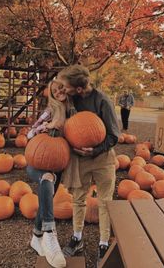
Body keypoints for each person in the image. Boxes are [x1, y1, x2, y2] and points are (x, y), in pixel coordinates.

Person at [58, 64, 120, 265]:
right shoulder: (69, 99)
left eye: (65, 87)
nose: (62, 90)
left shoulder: (102, 101)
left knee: (104, 202)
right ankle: (77, 238)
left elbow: (114, 135)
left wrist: (95, 150)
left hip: (103, 159)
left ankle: (103, 243)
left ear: (78, 89)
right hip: (80, 159)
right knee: (78, 199)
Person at [26, 79, 75, 268]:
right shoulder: (49, 111)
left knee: (47, 197)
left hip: (58, 163)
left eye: (61, 87)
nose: (59, 91)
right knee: (46, 178)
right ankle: (49, 234)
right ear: (52, 94)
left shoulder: (73, 112)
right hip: (37, 161)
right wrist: (46, 127)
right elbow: (30, 135)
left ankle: (36, 237)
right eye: (54, 90)